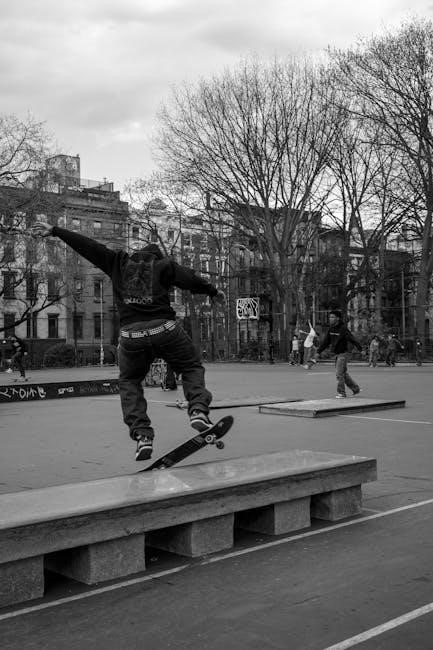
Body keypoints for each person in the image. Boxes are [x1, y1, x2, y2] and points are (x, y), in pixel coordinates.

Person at [31, 221, 225, 461]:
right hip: (165, 329)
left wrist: (55, 230)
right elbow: (191, 279)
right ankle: (197, 410)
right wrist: (213, 292)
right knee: (191, 366)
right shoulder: (164, 265)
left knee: (130, 381)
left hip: (131, 336)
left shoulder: (118, 262)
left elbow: (89, 246)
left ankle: (142, 435)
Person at [317, 309, 363, 398]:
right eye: (330, 317)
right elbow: (326, 342)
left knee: (339, 374)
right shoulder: (331, 329)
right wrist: (318, 351)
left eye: (332, 317)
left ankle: (341, 393)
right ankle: (356, 389)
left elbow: (352, 339)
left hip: (343, 354)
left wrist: (360, 349)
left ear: (337, 318)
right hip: (337, 354)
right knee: (343, 374)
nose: (330, 319)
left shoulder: (343, 329)